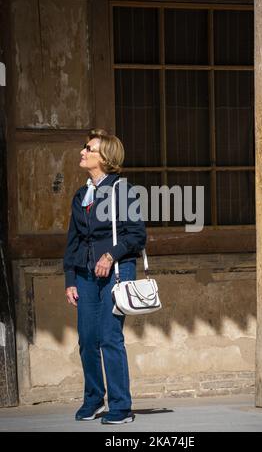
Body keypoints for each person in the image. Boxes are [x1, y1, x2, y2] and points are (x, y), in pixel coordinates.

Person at [63, 129, 146, 425]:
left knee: (109, 337)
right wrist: (70, 279)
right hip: (85, 275)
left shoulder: (124, 190)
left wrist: (110, 255)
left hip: (116, 272)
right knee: (87, 339)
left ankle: (121, 406)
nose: (82, 152)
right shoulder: (81, 195)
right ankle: (94, 400)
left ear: (105, 158)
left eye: (89, 148)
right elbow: (73, 240)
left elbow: (137, 235)